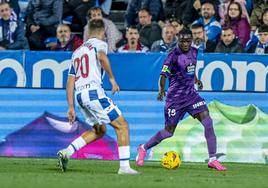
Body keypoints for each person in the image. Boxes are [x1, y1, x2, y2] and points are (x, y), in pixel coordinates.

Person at [135, 28, 227, 171]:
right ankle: (143, 147)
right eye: (182, 41)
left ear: (191, 40)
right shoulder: (172, 56)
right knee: (168, 132)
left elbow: (190, 69)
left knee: (208, 122)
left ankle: (212, 159)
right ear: (178, 40)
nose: (185, 44)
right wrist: (161, 90)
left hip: (191, 95)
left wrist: (196, 79)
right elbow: (163, 75)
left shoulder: (195, 52)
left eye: (187, 41)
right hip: (175, 99)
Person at [57, 19, 140, 175]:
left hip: (80, 96)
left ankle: (67, 152)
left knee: (99, 130)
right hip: (94, 93)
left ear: (88, 32)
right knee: (122, 126)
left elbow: (70, 81)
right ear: (103, 32)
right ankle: (124, 168)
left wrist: (70, 107)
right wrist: (112, 79)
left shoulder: (77, 52)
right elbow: (102, 57)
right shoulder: (99, 43)